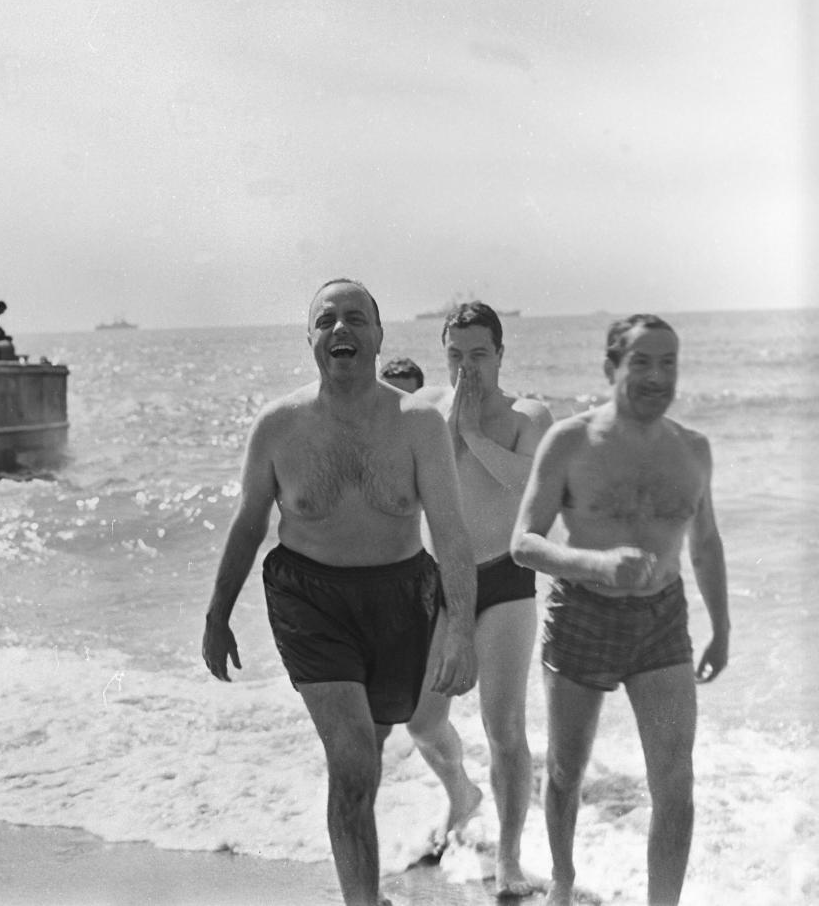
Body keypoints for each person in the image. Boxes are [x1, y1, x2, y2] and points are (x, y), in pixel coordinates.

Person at [202, 278, 478, 906]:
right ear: (310, 339)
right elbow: (248, 525)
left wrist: (460, 626)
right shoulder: (278, 426)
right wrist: (218, 614)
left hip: (402, 596)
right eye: (326, 321)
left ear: (379, 337)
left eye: (356, 319)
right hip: (310, 598)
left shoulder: (419, 424)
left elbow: (453, 533)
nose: (341, 330)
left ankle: (365, 879)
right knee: (353, 759)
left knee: (373, 748)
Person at [511, 314, 730, 906]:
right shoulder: (570, 442)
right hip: (583, 613)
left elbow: (705, 544)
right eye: (642, 362)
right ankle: (562, 882)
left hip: (662, 621)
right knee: (565, 771)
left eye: (669, 363)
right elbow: (523, 543)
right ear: (612, 368)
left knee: (676, 785)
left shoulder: (693, 449)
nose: (658, 376)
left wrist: (723, 629)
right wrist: (597, 565)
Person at [405, 301, 553, 895]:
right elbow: (409, 480)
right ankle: (461, 795)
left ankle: (511, 858)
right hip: (440, 580)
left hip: (505, 580)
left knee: (504, 728)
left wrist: (471, 432)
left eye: (479, 355)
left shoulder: (527, 413)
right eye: (455, 356)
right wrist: (449, 424)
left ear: (500, 354)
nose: (467, 369)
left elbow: (532, 483)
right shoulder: (423, 412)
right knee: (419, 720)